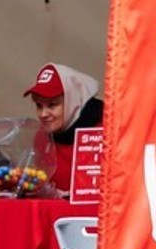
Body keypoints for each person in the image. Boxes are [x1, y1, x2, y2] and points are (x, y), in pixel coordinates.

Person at [24, 63, 104, 198]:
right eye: (39, 105)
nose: (43, 114)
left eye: (52, 105)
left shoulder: (104, 131)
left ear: (73, 100)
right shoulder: (41, 137)